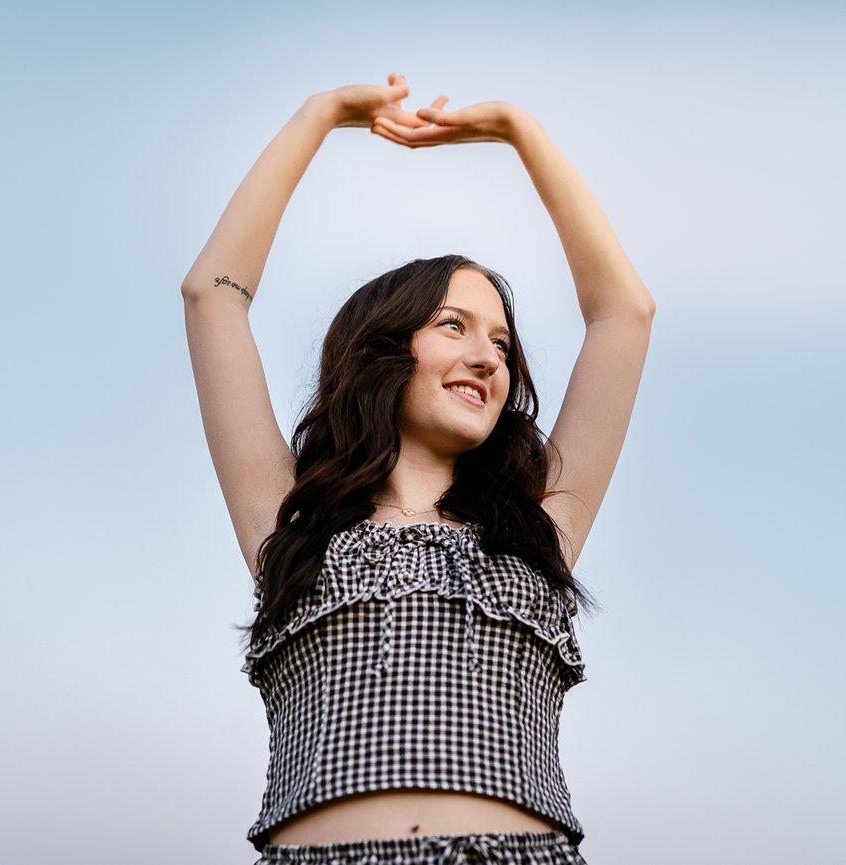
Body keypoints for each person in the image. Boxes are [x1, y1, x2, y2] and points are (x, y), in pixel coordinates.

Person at [181, 74, 654, 865]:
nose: (486, 357)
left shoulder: (540, 528)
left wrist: (519, 131)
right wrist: (321, 115)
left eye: (502, 345)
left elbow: (623, 313)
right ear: (382, 348)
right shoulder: (290, 528)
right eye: (454, 326)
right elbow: (212, 296)